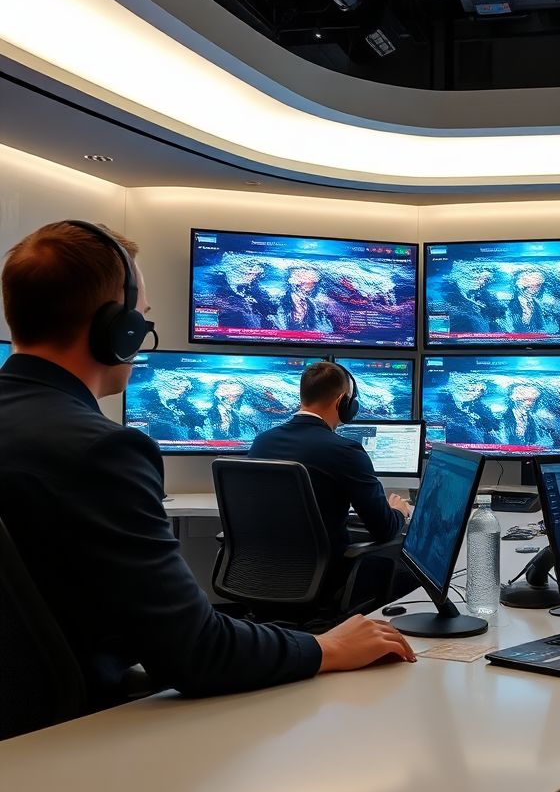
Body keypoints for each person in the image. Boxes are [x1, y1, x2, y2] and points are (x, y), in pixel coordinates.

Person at [0, 221, 415, 712]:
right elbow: (197, 652)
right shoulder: (103, 452)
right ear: (120, 330)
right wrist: (328, 647)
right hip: (76, 729)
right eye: (142, 318)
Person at [249, 361, 414, 611]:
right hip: (324, 579)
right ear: (343, 402)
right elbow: (384, 529)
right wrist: (399, 512)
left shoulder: (261, 442)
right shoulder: (345, 451)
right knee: (406, 567)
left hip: (262, 574)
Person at [131, 370, 205, 442]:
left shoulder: (184, 405)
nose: (183, 389)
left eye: (184, 387)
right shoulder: (146, 398)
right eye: (177, 382)